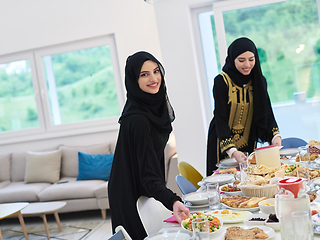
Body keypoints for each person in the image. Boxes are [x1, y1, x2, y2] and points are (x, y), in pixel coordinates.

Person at [108, 51, 190, 240]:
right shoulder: (138, 119)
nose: (153, 79)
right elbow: (148, 175)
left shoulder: (152, 107)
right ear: (133, 80)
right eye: (144, 74)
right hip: (128, 192)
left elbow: (148, 170)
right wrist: (173, 200)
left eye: (156, 71)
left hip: (143, 184)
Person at [206, 37, 282, 177]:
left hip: (248, 139)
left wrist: (275, 136)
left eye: (251, 59)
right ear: (232, 59)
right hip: (222, 142)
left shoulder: (259, 80)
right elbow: (220, 118)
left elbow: (267, 112)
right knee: (225, 183)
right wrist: (232, 151)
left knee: (249, 179)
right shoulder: (221, 81)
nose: (247, 64)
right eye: (241, 60)